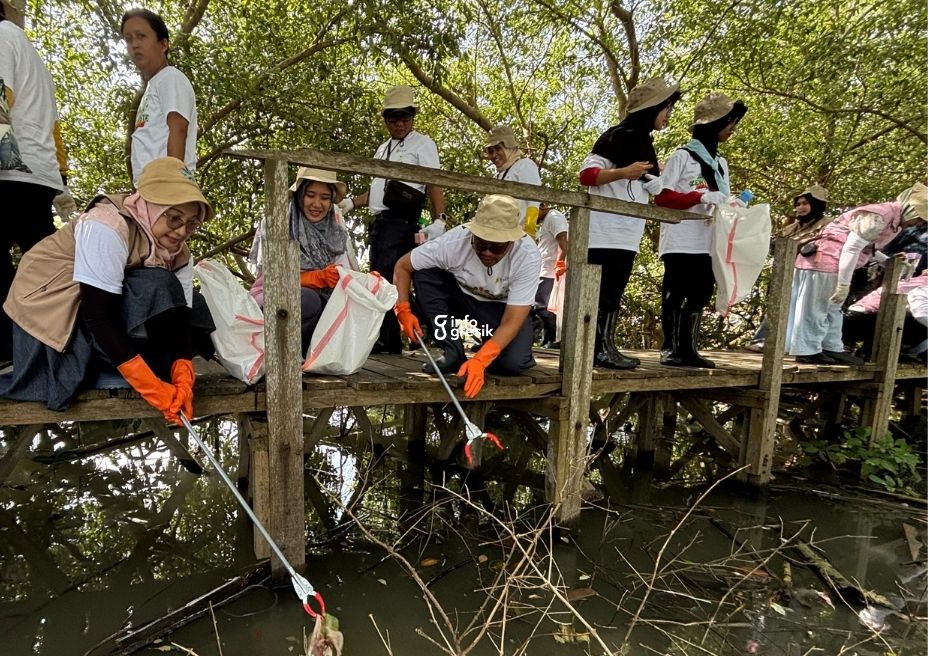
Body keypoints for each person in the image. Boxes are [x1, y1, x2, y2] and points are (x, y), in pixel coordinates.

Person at [0, 157, 214, 420]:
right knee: (157, 285)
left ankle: (127, 368)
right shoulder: (106, 224)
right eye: (174, 218)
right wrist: (149, 387)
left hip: (96, 320)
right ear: (149, 204)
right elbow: (99, 316)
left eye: (191, 223)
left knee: (196, 302)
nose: (182, 231)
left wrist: (183, 374)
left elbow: (181, 315)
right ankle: (94, 370)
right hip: (50, 325)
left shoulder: (177, 251)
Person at [392, 195, 541, 398]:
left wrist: (481, 359)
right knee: (425, 273)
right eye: (480, 244)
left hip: (501, 310)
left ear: (512, 241)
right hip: (461, 297)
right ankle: (452, 350)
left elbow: (512, 321)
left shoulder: (528, 256)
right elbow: (403, 265)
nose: (487, 252)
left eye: (496, 247)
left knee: (512, 364)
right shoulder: (454, 241)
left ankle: (495, 346)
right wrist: (403, 309)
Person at [579, 77, 680, 369]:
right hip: (602, 232)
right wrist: (623, 172)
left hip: (626, 234)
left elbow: (657, 189)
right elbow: (586, 176)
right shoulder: (617, 136)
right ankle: (595, 349)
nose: (668, 115)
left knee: (613, 293)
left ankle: (605, 345)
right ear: (652, 109)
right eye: (666, 108)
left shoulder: (643, 143)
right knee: (600, 294)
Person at [339, 85, 446, 353]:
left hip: (402, 219)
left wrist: (440, 218)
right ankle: (392, 336)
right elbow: (378, 189)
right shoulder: (383, 148)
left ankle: (390, 339)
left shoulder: (422, 144)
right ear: (386, 119)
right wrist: (351, 202)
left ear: (412, 117)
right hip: (381, 221)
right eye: (393, 117)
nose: (399, 122)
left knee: (388, 276)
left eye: (404, 116)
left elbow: (435, 182)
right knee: (381, 276)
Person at [0, 0, 75, 360]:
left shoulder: (0, 36)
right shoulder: (31, 53)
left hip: (12, 168)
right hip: (39, 172)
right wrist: (61, 182)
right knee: (45, 261)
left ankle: (7, 351)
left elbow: (0, 99)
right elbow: (54, 127)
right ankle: (61, 344)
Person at [652, 91, 748, 368]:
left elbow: (722, 199)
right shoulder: (683, 156)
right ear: (715, 123)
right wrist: (699, 196)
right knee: (675, 293)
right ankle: (670, 349)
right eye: (730, 122)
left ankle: (689, 348)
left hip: (710, 239)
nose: (732, 129)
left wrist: (732, 205)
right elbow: (663, 197)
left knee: (701, 292)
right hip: (682, 238)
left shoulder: (722, 164)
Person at [788, 182, 928, 364]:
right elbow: (851, 248)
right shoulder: (879, 216)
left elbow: (867, 248)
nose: (918, 223)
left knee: (833, 308)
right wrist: (844, 284)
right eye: (919, 218)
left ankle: (832, 347)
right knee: (817, 307)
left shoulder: (893, 222)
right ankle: (807, 350)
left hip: (838, 262)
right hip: (826, 259)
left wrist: (887, 261)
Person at [249, 167, 352, 356]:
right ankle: (277, 354)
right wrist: (316, 278)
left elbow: (344, 276)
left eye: (325, 198)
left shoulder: (337, 234)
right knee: (308, 300)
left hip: (318, 307)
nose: (317, 203)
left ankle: (310, 354)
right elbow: (273, 279)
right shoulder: (276, 224)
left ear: (331, 202)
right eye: (310, 195)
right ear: (300, 195)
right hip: (273, 299)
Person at [747, 184, 830, 351]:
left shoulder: (829, 225)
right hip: (788, 272)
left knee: (809, 312)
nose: (800, 207)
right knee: (780, 304)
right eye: (798, 204)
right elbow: (776, 247)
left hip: (815, 274)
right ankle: (765, 341)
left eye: (805, 203)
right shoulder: (791, 228)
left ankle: (807, 346)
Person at [122, 7, 197, 187]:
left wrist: (172, 185)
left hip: (165, 187)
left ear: (163, 44)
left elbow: (178, 128)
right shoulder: (153, 85)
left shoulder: (170, 77)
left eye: (141, 36)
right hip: (151, 188)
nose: (135, 45)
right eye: (128, 39)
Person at [484, 124, 541, 236]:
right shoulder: (499, 176)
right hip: (499, 237)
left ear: (509, 147)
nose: (494, 155)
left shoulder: (525, 165)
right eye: (490, 151)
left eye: (498, 149)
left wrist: (529, 229)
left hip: (519, 236)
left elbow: (534, 199)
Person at [533, 203, 568, 347]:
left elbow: (563, 241)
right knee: (544, 306)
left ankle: (558, 338)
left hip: (549, 270)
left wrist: (560, 263)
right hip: (542, 268)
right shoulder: (545, 221)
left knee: (540, 306)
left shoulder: (554, 217)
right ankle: (548, 340)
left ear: (541, 207)